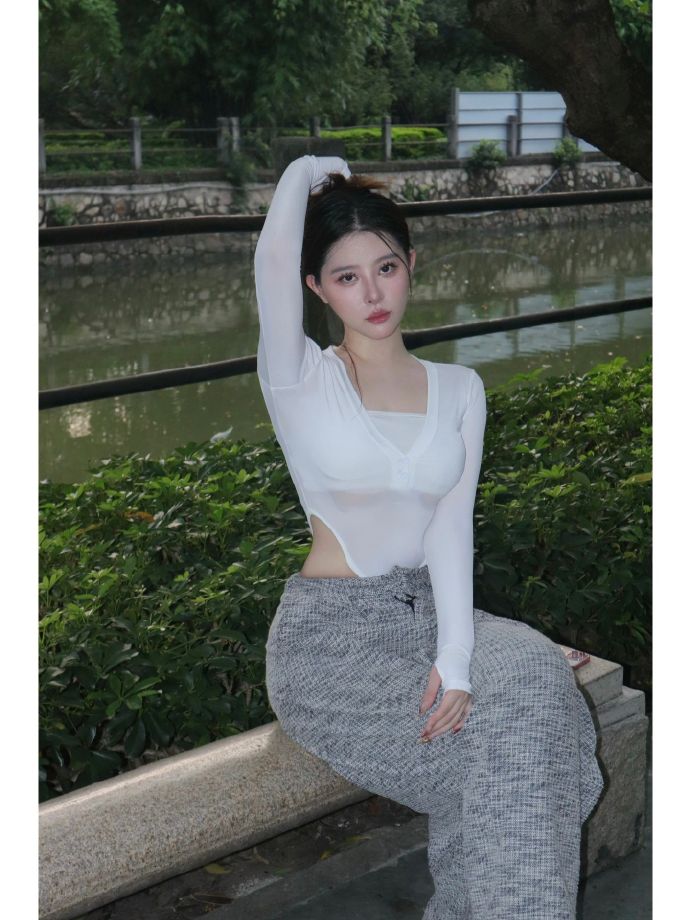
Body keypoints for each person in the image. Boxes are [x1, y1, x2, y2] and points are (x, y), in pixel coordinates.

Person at [255, 154, 604, 919]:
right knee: (526, 750)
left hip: (431, 617)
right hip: (331, 645)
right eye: (347, 277)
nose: (373, 293)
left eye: (385, 268)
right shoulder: (300, 379)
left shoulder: (459, 388)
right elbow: (272, 259)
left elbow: (451, 526)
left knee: (525, 691)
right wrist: (305, 170)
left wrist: (459, 657)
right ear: (316, 288)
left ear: (411, 265)